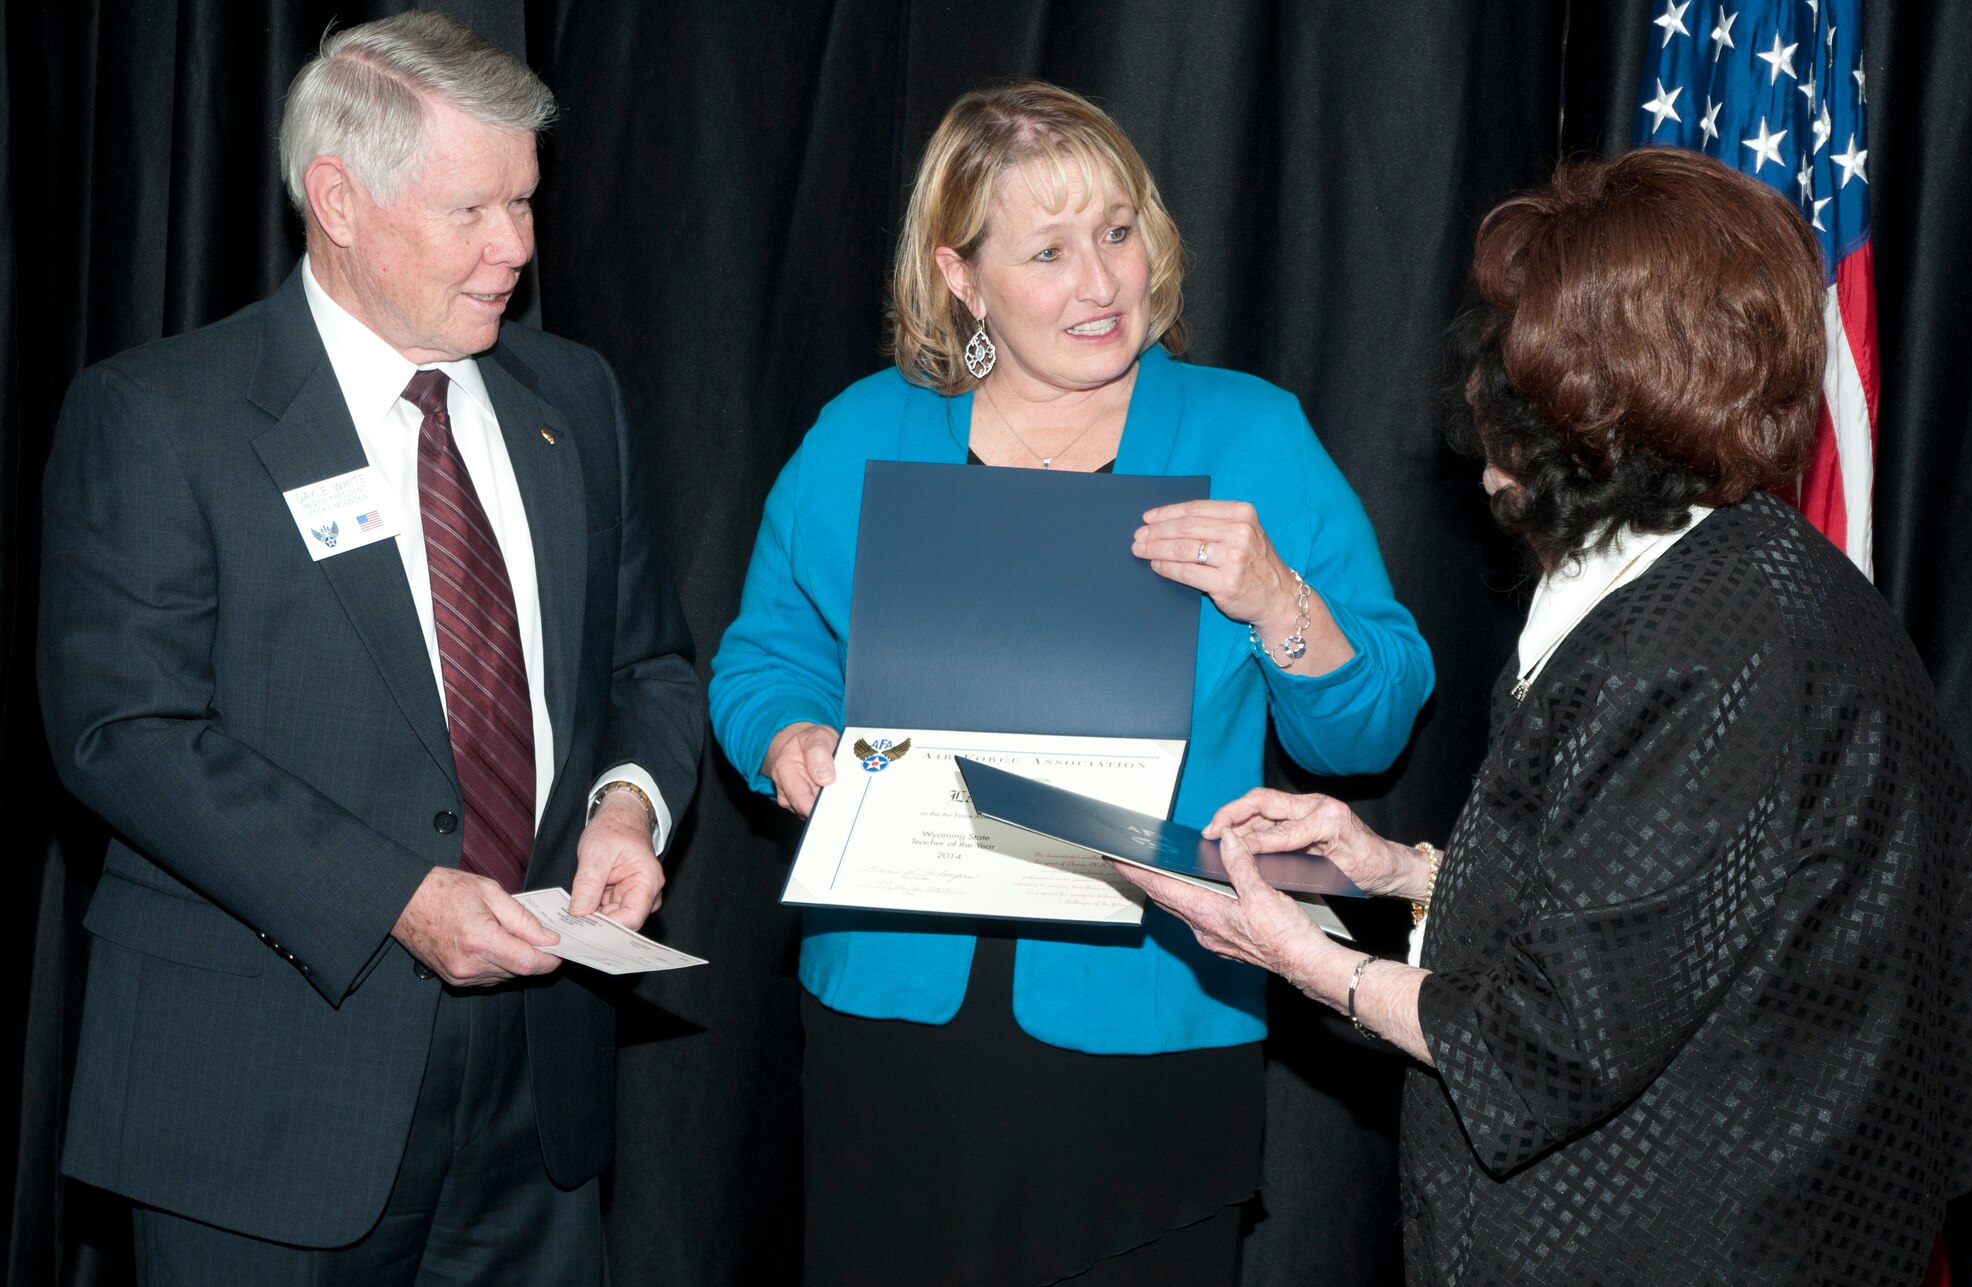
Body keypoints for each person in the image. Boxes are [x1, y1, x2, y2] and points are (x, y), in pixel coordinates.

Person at [1121, 146, 1972, 1285]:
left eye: (1513, 347)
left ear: (1591, 392)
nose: (1481, 378)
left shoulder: (1705, 646)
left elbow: (1549, 1042)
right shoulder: (1704, 565)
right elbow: (1650, 913)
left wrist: (1302, 960)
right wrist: (1398, 871)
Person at [708, 81, 1432, 1284]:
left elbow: (1373, 723)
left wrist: (1275, 602)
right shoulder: (862, 431)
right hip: (895, 1020)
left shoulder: (1246, 433)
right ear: (960, 275)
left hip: (1151, 1011)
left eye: (1117, 231)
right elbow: (763, 653)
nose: (1101, 283)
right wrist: (785, 737)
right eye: (1046, 251)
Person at [37, 12, 704, 1283]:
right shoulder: (161, 416)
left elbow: (645, 668)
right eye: (471, 211)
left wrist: (627, 808)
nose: (515, 247)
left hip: (538, 1097)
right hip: (264, 1092)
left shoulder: (573, 399)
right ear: (336, 200)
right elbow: (124, 733)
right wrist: (395, 899)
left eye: (523, 202)